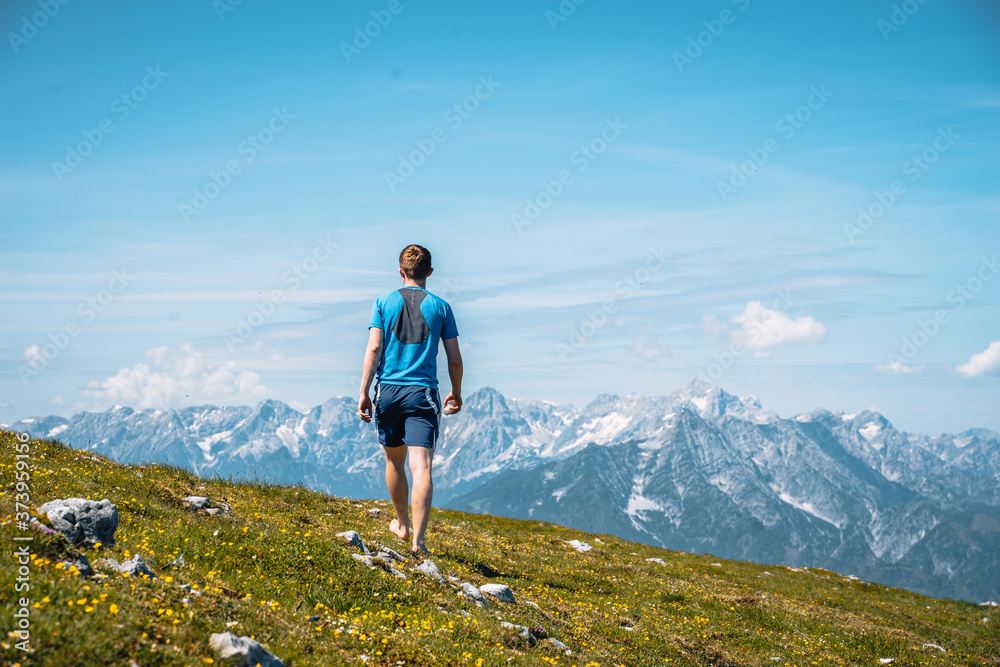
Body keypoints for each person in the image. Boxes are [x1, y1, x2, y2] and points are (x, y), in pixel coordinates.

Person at [358, 244, 463, 554]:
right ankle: (418, 542)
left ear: (401, 272)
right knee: (422, 467)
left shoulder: (382, 302)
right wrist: (456, 392)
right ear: (430, 272)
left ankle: (401, 525)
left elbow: (374, 349)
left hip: (387, 391)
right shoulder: (441, 307)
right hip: (423, 393)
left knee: (394, 460)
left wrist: (363, 392)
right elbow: (454, 359)